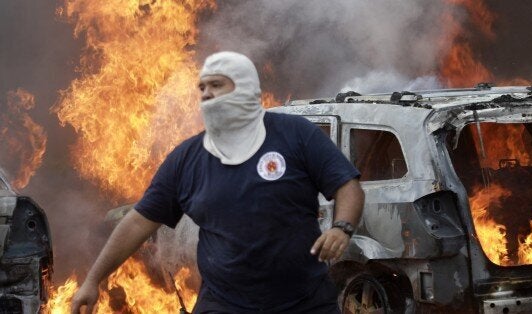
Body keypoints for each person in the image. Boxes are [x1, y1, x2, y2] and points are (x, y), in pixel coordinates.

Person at [71, 51, 364, 313]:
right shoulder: (187, 159)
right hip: (225, 303)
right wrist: (93, 280)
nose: (207, 94)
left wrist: (342, 227)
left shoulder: (295, 134)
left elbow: (347, 184)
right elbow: (138, 222)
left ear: (247, 88)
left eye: (217, 85)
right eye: (203, 88)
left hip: (304, 301)